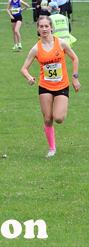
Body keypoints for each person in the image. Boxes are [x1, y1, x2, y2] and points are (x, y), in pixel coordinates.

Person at [20, 16, 80, 157]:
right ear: (38, 29)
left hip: (62, 85)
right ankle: (52, 148)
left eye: (47, 26)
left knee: (58, 118)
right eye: (41, 26)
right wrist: (29, 77)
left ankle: (62, 108)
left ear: (51, 27)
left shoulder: (62, 43)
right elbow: (24, 68)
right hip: (45, 86)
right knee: (47, 118)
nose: (44, 29)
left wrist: (75, 77)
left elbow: (75, 58)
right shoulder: (36, 49)